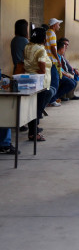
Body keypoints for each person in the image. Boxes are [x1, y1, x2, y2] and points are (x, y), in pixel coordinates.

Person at [1, 19, 29, 154]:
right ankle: (22, 122)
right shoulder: (24, 41)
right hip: (22, 72)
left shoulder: (14, 40)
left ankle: (21, 122)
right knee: (21, 99)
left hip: (15, 70)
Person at [23, 27, 55, 142]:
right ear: (43, 38)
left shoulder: (27, 47)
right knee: (37, 109)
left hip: (29, 81)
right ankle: (33, 133)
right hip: (40, 83)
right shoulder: (41, 50)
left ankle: (33, 130)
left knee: (33, 107)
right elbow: (42, 68)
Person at [49, 39, 77, 105]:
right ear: (61, 49)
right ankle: (53, 98)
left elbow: (60, 68)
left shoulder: (60, 56)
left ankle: (55, 97)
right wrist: (66, 74)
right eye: (64, 48)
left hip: (61, 74)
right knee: (71, 83)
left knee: (73, 82)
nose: (65, 49)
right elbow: (57, 69)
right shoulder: (56, 56)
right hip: (57, 75)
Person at [45, 17, 62, 106]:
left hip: (47, 60)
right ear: (54, 25)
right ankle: (52, 100)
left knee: (49, 81)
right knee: (55, 81)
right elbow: (53, 48)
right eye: (58, 24)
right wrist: (58, 59)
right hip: (52, 60)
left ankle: (49, 100)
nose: (59, 26)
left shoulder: (47, 32)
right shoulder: (52, 33)